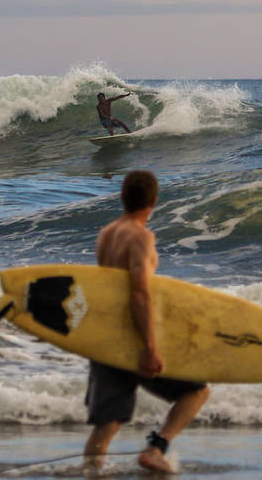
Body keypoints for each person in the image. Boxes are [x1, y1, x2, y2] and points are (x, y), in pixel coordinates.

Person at [84, 170, 210, 473]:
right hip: (132, 338)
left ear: (122, 197)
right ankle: (156, 448)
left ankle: (91, 472)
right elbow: (139, 292)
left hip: (105, 337)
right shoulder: (141, 237)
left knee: (107, 423)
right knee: (196, 392)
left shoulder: (108, 232)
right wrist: (150, 347)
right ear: (154, 200)